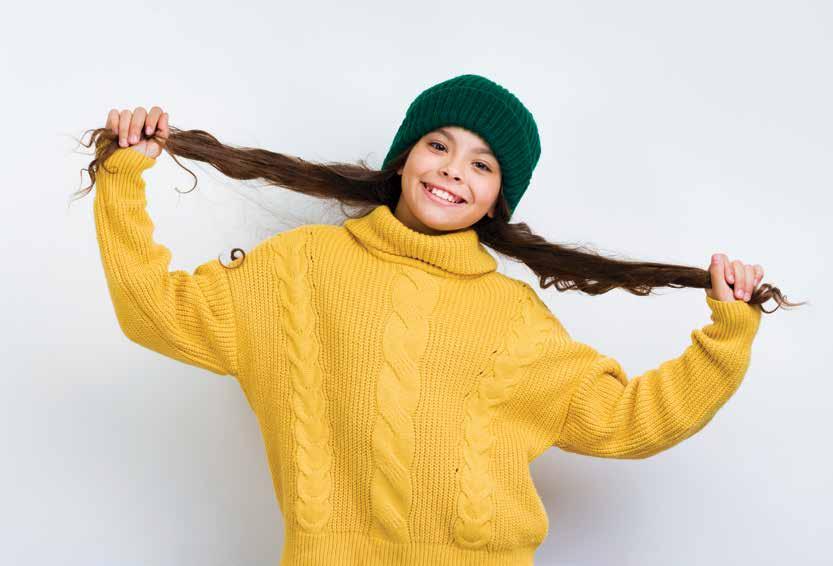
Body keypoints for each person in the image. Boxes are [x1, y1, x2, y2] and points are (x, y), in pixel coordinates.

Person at [88, 74, 767, 565]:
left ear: (498, 199)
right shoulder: (299, 268)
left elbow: (626, 422)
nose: (452, 171)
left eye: (481, 164)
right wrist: (123, 179)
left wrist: (726, 336)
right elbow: (157, 312)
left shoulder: (514, 317)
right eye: (438, 145)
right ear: (404, 158)